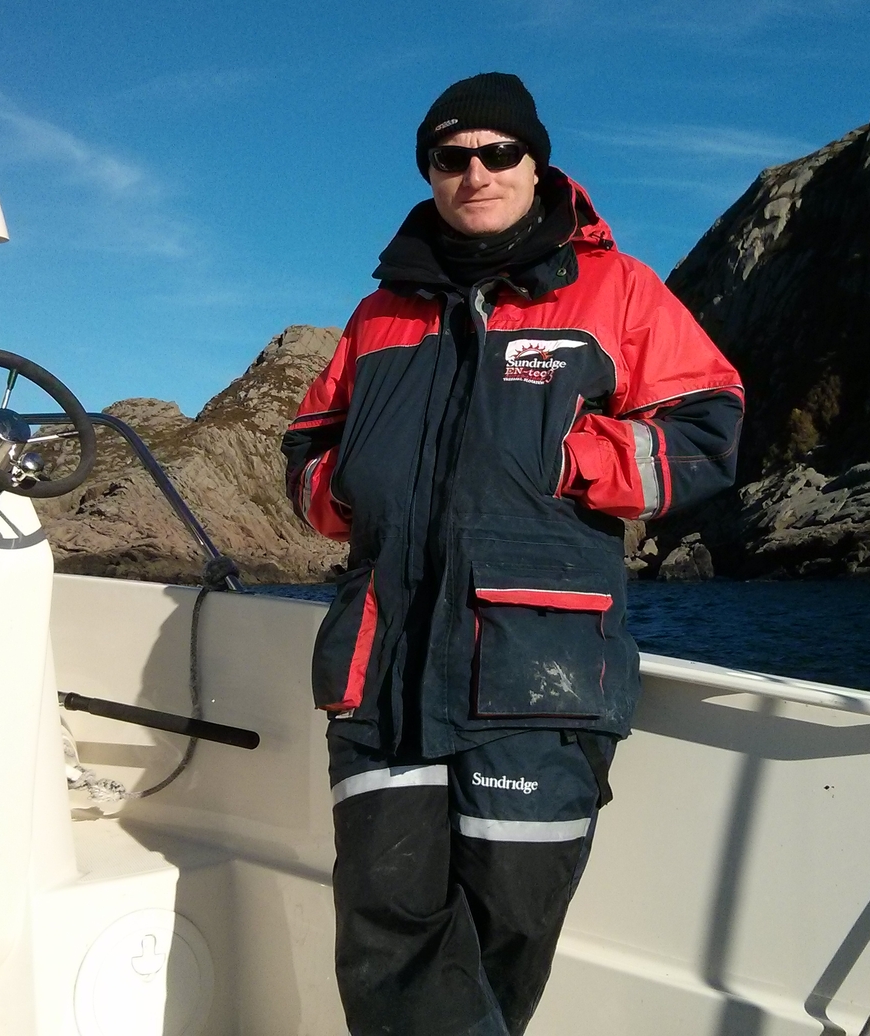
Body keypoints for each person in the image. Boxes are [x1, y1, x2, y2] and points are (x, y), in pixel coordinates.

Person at [282, 73, 744, 1036]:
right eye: (451, 158)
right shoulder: (379, 313)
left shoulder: (619, 290)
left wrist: (569, 458)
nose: (476, 173)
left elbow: (707, 431)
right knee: (382, 936)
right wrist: (347, 486)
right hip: (380, 670)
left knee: (507, 933)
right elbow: (309, 446)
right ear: (430, 172)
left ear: (537, 166)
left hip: (540, 675)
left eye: (499, 153)